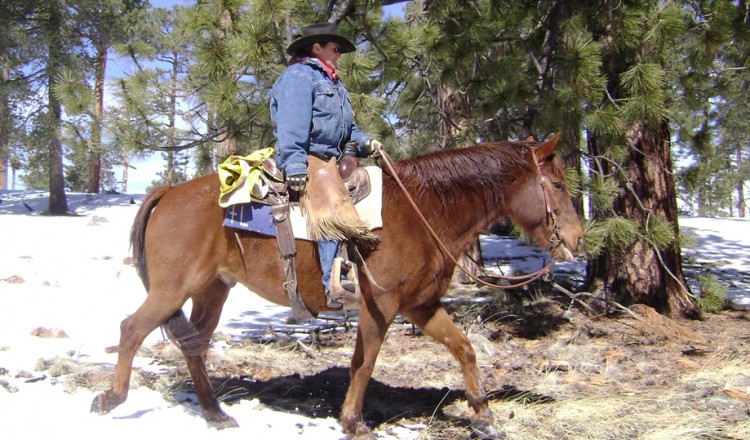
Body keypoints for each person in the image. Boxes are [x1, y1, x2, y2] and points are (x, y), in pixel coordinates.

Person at [270, 22, 381, 306]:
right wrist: (294, 164)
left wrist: (366, 141)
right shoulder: (299, 76)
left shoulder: (334, 83)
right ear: (316, 47)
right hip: (309, 157)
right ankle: (334, 285)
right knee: (331, 212)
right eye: (335, 48)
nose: (339, 53)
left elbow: (348, 128)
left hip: (330, 159)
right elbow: (291, 125)